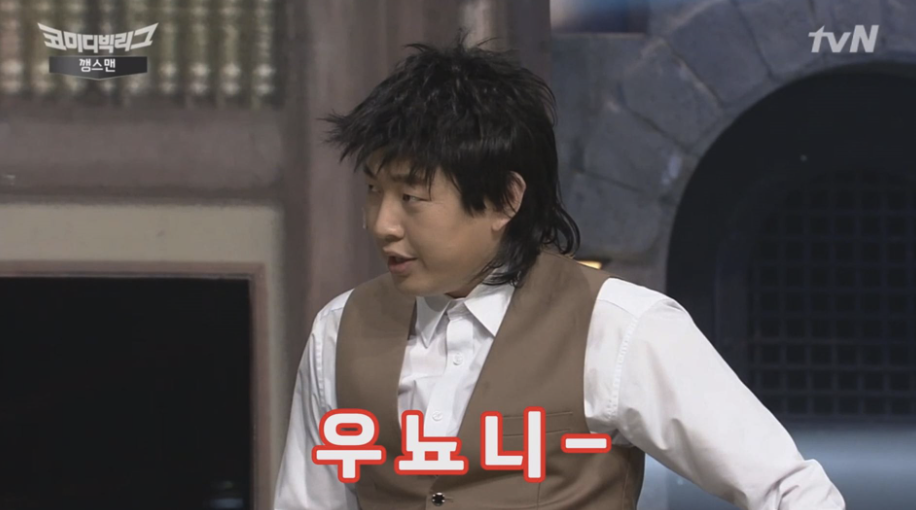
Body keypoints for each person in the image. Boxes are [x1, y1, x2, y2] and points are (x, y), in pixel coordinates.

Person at [273, 32, 846, 510]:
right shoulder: (339, 331)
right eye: (373, 190)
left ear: (504, 199)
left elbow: (791, 491)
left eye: (411, 197)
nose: (381, 224)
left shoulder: (619, 328)